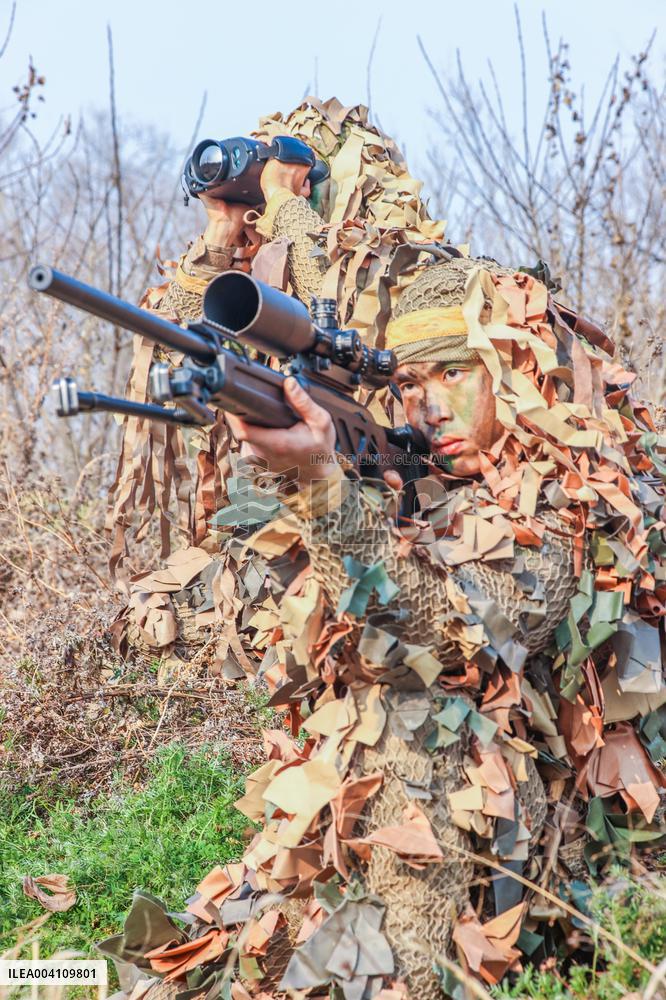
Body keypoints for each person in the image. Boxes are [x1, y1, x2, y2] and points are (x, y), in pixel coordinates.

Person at [102, 106, 666, 1000]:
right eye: (409, 383)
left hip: (577, 868)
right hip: (437, 839)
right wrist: (226, 240)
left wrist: (326, 483)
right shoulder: (419, 480)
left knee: (413, 717)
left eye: (456, 374)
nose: (429, 404)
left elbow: (441, 644)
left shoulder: (565, 501)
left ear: (517, 377)